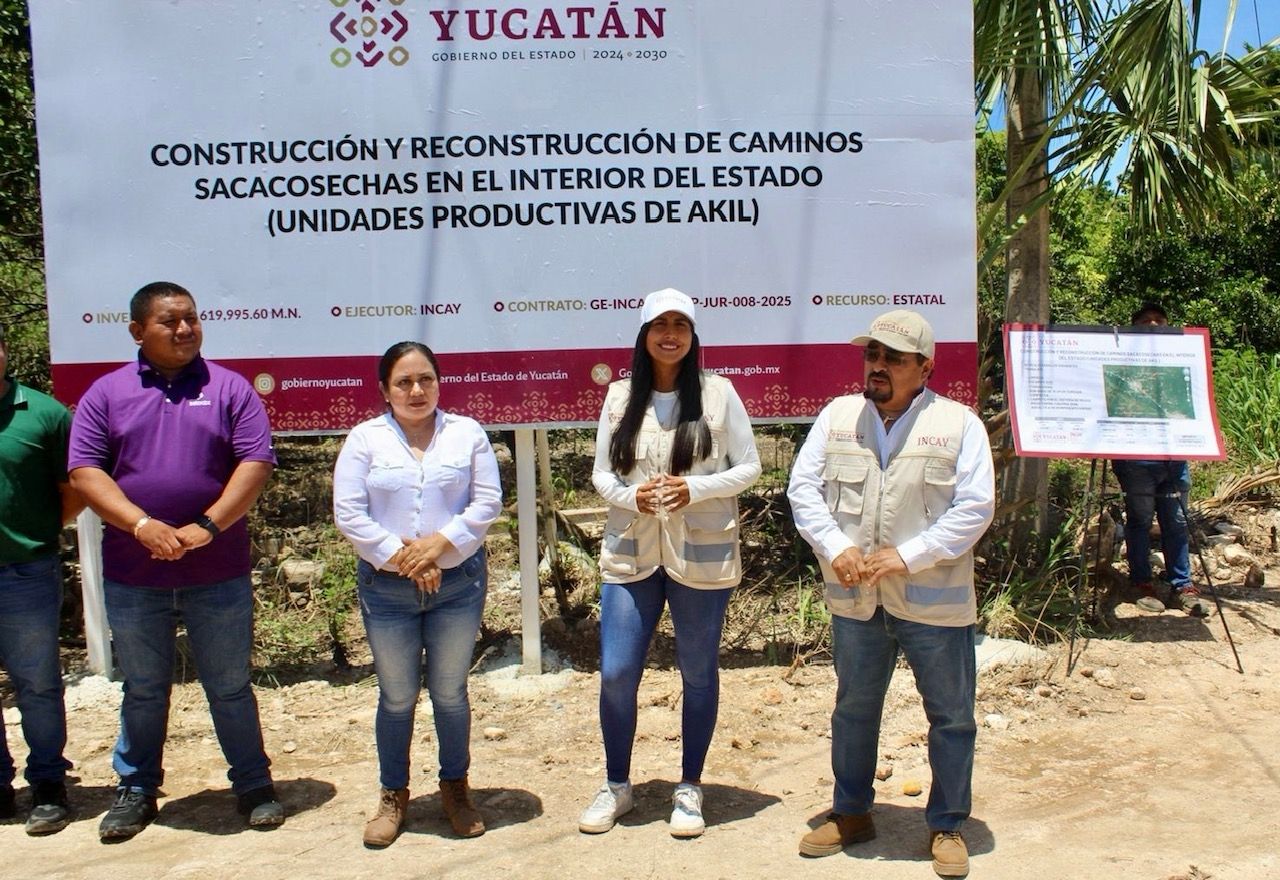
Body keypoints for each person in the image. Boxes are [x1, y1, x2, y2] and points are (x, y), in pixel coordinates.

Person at [68, 281, 282, 840]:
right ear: (138, 331)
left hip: (218, 572)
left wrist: (207, 526)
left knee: (230, 685)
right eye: (170, 321)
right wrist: (142, 525)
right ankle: (136, 789)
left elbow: (256, 462)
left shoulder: (230, 388)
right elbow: (85, 471)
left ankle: (254, 785)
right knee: (143, 687)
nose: (185, 329)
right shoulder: (105, 394)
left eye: (192, 318)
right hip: (135, 574)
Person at [787, 309, 994, 877]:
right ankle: (852, 812)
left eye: (894, 358)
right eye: (872, 355)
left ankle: (947, 823)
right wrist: (835, 545)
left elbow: (975, 508)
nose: (878, 366)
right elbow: (803, 489)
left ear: (925, 367)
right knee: (854, 709)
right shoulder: (837, 417)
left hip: (934, 601)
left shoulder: (959, 424)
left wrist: (909, 555)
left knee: (951, 716)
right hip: (857, 600)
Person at [578, 288, 761, 839]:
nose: (671, 334)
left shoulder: (719, 394)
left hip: (700, 553)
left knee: (698, 671)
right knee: (616, 672)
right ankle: (616, 784)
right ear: (644, 335)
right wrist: (630, 498)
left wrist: (695, 489)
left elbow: (749, 466)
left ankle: (689, 787)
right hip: (631, 551)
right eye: (661, 325)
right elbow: (601, 474)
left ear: (693, 335)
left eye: (681, 325)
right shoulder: (619, 398)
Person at [333, 341, 501, 848]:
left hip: (457, 585)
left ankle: (456, 789)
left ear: (438, 382)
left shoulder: (467, 433)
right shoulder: (365, 439)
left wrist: (437, 546)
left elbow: (487, 502)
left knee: (450, 693)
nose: (416, 390)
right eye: (403, 382)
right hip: (387, 589)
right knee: (397, 696)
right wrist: (404, 557)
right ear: (385, 390)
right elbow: (349, 513)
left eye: (425, 379)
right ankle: (393, 795)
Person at [0, 322, 83, 834]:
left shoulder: (46, 414)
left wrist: (36, 532)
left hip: (25, 571)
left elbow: (74, 490)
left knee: (37, 684)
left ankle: (49, 783)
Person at [1112, 303, 1209, 617]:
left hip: (1174, 458)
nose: (1154, 325)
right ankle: (1142, 583)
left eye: (1160, 321)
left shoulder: (1179, 361)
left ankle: (1182, 586)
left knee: (1177, 522)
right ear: (1134, 327)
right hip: (1136, 459)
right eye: (1146, 321)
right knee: (1140, 520)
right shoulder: (1120, 361)